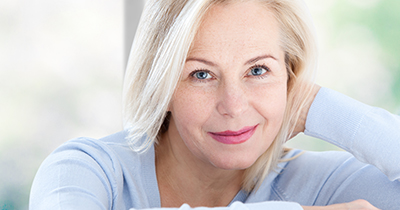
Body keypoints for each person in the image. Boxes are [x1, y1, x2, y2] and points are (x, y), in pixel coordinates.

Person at [29, 0, 400, 209]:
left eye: (258, 70)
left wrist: (320, 106)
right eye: (201, 75)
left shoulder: (322, 182)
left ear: (290, 75)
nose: (233, 106)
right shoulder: (86, 170)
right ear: (163, 87)